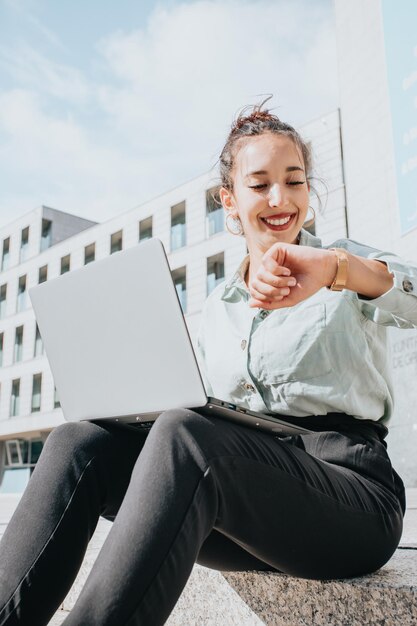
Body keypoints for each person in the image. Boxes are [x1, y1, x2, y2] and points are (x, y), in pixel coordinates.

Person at [1, 99, 416, 626]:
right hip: (246, 505)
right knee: (78, 443)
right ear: (230, 202)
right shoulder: (218, 307)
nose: (279, 198)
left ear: (309, 194)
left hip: (351, 499)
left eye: (294, 181)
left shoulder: (346, 263)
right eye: (260, 183)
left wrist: (338, 269)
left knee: (187, 433)